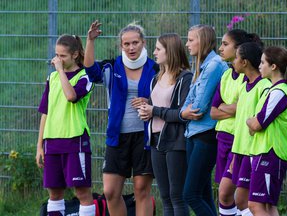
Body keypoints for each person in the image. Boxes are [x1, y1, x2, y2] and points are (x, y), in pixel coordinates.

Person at [84, 20, 158, 216]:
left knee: (141, 190)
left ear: (143, 43)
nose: (131, 47)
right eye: (126, 44)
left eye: (135, 43)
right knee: (110, 192)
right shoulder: (112, 66)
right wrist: (90, 41)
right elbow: (91, 71)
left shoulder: (156, 68)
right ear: (121, 46)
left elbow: (168, 96)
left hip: (145, 136)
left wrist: (149, 100)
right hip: (117, 136)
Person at [36, 34, 95, 216]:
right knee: (54, 194)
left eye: (62, 56)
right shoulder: (52, 78)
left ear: (75, 55)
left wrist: (61, 71)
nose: (57, 60)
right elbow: (45, 112)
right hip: (52, 143)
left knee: (82, 193)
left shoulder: (86, 76)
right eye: (56, 55)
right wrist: (39, 145)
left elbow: (71, 96)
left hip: (75, 141)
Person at [137, 33, 192, 216]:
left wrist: (155, 111)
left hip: (176, 141)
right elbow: (155, 108)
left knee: (177, 196)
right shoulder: (156, 78)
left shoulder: (185, 78)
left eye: (158, 49)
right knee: (165, 197)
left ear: (170, 51)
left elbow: (183, 114)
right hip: (155, 140)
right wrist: (146, 112)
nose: (154, 52)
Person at [210, 29, 263, 216]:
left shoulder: (253, 80)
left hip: (240, 144)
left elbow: (242, 109)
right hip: (225, 140)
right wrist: (230, 108)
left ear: (241, 52)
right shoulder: (226, 75)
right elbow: (213, 111)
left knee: (241, 198)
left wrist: (229, 107)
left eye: (225, 44)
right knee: (225, 195)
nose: (221, 48)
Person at [180, 24, 228, 216]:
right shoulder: (202, 65)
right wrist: (184, 112)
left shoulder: (214, 65)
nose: (187, 44)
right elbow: (186, 105)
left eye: (191, 40)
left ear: (204, 41)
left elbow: (198, 107)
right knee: (202, 193)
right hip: (193, 132)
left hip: (205, 134)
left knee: (190, 195)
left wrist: (185, 112)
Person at [246, 46, 287, 216]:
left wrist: (250, 121)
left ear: (273, 66)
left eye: (263, 62)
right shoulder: (272, 90)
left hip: (271, 153)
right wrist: (252, 122)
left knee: (255, 205)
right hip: (265, 152)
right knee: (269, 207)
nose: (259, 66)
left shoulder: (279, 92)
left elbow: (256, 124)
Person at [230, 42, 271, 216]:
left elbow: (258, 123)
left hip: (253, 152)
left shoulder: (264, 87)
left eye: (236, 58)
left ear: (245, 62)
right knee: (242, 202)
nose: (233, 62)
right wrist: (234, 155)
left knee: (243, 201)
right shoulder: (243, 86)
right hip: (239, 151)